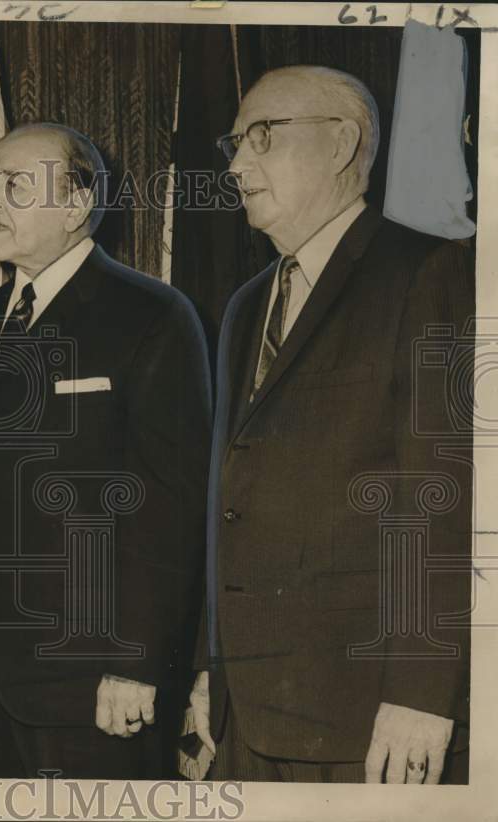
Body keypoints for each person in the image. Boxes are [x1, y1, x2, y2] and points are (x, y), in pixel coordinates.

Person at [190, 65, 473, 784]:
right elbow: (231, 500)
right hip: (246, 709)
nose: (236, 165)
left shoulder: (431, 272)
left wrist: (420, 692)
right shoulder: (247, 305)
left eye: (261, 138)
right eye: (234, 143)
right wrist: (208, 665)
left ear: (343, 143)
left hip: (369, 714)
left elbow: (443, 498)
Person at [0, 123, 212, 778]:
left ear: (77, 205)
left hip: (96, 682)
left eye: (12, 186)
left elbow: (171, 504)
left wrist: (134, 664)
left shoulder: (153, 315)